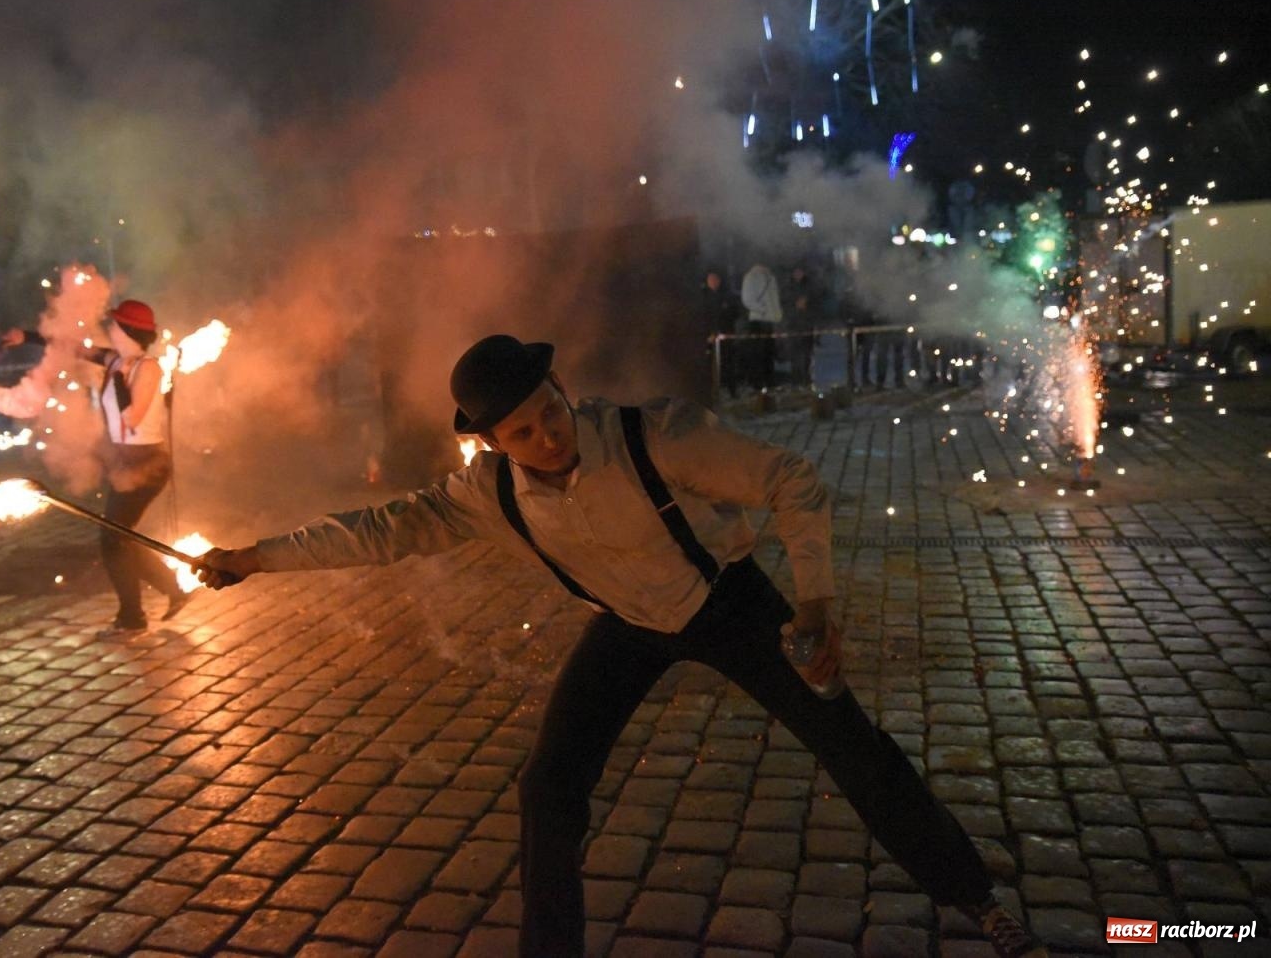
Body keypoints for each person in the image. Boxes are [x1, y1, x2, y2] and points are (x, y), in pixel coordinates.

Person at [193, 334, 1047, 958]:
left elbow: (792, 478)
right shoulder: (486, 491)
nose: (549, 438)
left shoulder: (653, 435)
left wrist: (816, 602)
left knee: (851, 746)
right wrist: (252, 559)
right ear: (488, 443)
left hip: (731, 604)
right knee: (549, 785)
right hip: (629, 627)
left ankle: (976, 900)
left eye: (551, 413)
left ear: (564, 390)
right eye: (523, 433)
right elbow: (379, 531)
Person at [0, 299, 192, 636]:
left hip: (146, 463)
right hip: (124, 460)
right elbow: (73, 348)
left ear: (128, 331)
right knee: (122, 537)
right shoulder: (115, 360)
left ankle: (133, 617)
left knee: (113, 539)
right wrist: (26, 336)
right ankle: (172, 591)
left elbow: (132, 419)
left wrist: (117, 380)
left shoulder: (148, 369)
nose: (110, 330)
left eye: (115, 325)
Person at [698, 267, 740, 397]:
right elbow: (702, 317)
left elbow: (735, 313)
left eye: (716, 279)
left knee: (728, 363)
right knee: (709, 365)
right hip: (709, 337)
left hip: (726, 335)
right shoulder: (703, 297)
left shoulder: (727, 296)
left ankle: (732, 390)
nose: (713, 282)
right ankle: (710, 391)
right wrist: (708, 333)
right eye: (711, 279)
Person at [740, 260, 782, 390]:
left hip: (770, 320)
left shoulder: (771, 277)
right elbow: (747, 299)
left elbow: (775, 297)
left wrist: (777, 314)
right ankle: (758, 383)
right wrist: (762, 309)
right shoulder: (751, 276)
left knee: (769, 353)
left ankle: (769, 381)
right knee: (758, 353)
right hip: (759, 320)